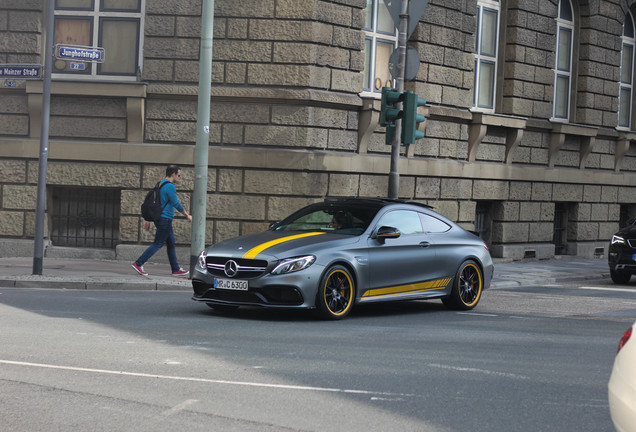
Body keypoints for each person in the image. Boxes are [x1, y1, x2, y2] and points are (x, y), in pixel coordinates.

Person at [131, 165, 192, 277]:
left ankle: (175, 269)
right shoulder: (170, 186)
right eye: (178, 175)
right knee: (158, 243)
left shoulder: (159, 184)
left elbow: (151, 203)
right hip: (165, 219)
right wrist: (187, 215)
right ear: (173, 174)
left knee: (171, 243)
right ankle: (138, 263)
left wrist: (148, 219)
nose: (179, 177)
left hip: (160, 218)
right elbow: (175, 203)